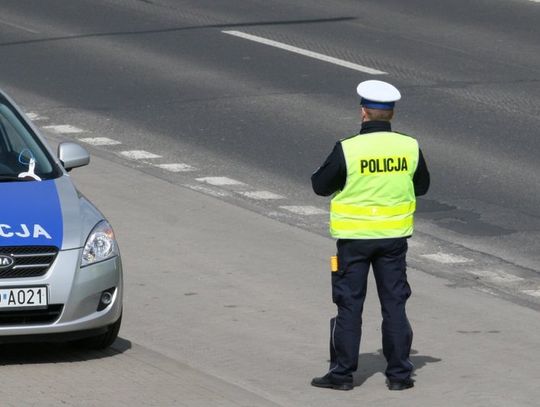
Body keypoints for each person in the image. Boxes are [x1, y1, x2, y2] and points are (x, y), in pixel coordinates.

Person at [310, 80, 430, 391]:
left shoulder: (348, 148)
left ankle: (342, 376)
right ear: (390, 115)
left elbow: (320, 185)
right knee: (394, 304)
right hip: (393, 239)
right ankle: (400, 377)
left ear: (364, 112)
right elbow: (422, 186)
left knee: (349, 305)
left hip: (354, 240)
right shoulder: (409, 146)